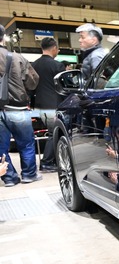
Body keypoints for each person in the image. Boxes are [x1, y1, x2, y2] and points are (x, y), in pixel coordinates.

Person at [0, 24, 41, 187]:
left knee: (0, 147)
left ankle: (9, 177)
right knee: (26, 143)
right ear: (3, 38)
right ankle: (29, 175)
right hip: (17, 108)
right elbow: (33, 81)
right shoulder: (16, 57)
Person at [31, 37, 66, 172]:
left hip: (39, 105)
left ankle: (53, 160)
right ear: (54, 48)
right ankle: (46, 162)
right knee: (53, 133)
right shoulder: (57, 66)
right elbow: (63, 86)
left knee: (52, 132)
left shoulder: (34, 65)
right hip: (53, 105)